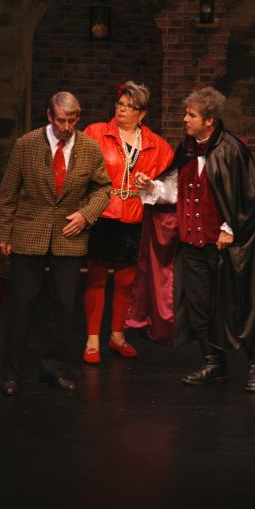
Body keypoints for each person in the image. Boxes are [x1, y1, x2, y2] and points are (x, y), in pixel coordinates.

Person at [134, 86, 255, 392]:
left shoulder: (232, 151)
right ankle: (214, 364)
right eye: (186, 114)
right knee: (199, 308)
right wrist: (152, 187)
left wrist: (229, 227)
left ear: (209, 120)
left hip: (223, 248)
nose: (185, 119)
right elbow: (176, 193)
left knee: (239, 306)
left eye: (191, 115)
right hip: (192, 245)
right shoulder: (187, 149)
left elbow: (250, 198)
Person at [0, 91, 111, 395]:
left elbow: (103, 189)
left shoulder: (89, 148)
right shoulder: (26, 144)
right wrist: (3, 234)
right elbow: (7, 193)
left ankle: (53, 369)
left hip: (69, 236)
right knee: (21, 307)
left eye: (72, 121)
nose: (66, 127)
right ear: (49, 116)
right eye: (61, 121)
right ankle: (12, 373)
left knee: (64, 307)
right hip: (29, 233)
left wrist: (86, 215)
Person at [82, 81, 174, 363]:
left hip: (135, 219)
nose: (122, 110)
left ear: (142, 113)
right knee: (96, 278)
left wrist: (151, 185)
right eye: (119, 104)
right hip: (103, 215)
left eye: (129, 106)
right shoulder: (96, 133)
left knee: (126, 281)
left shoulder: (157, 146)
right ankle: (92, 340)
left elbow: (171, 186)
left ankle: (117, 336)